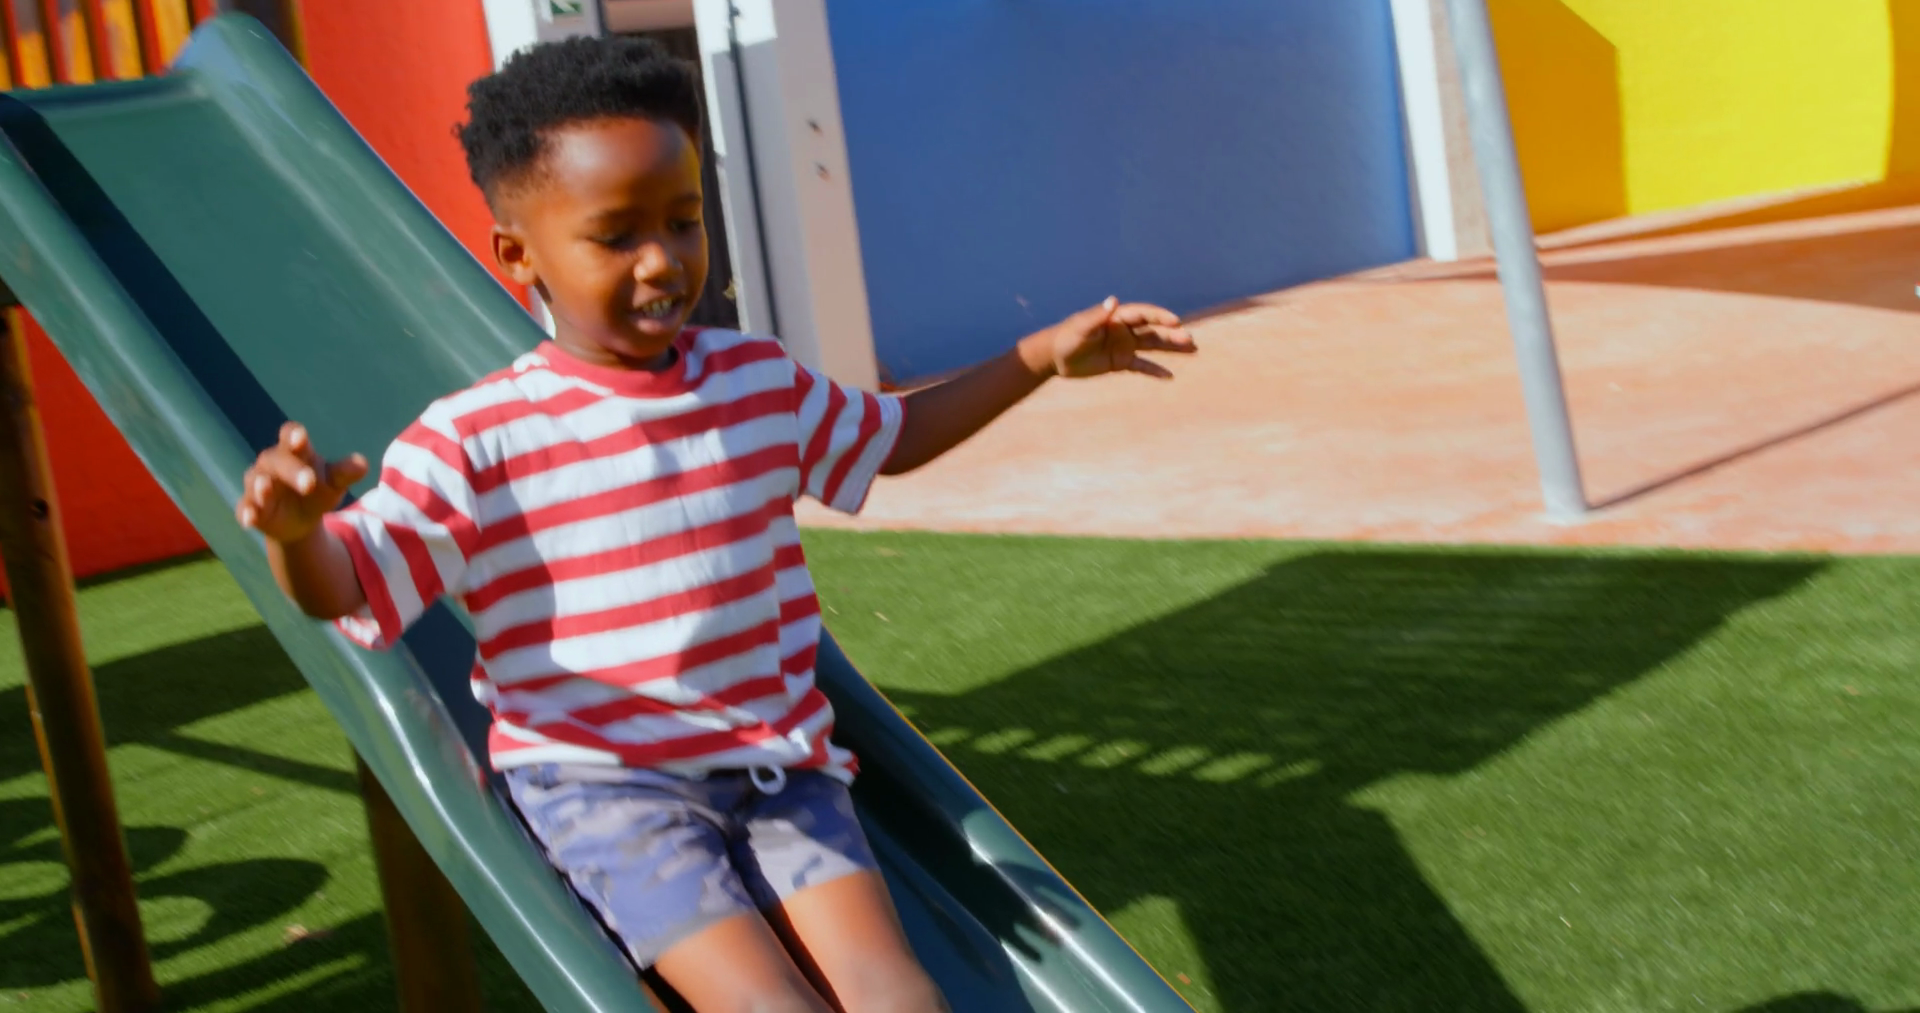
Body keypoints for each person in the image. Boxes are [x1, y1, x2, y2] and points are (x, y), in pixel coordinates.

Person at [236, 34, 1195, 1013]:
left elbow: (893, 437)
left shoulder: (754, 381)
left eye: (684, 220)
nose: (663, 259)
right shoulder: (478, 439)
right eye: (616, 236)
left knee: (901, 996)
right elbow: (346, 582)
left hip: (780, 769)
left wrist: (1039, 356)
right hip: (610, 790)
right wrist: (296, 530)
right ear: (519, 255)